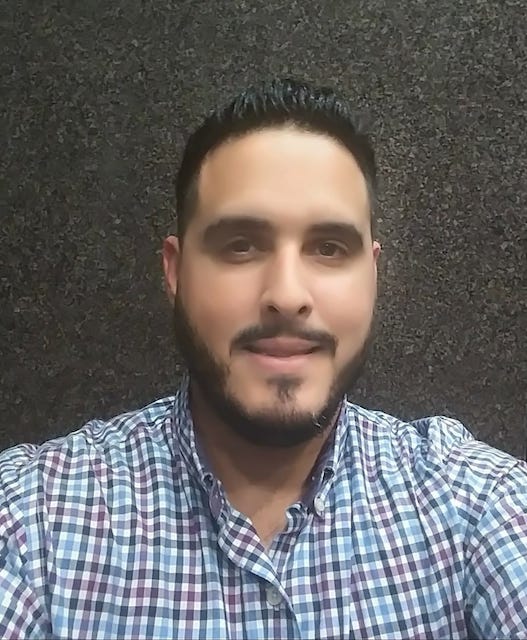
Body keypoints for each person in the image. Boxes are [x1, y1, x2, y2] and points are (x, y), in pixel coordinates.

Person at [0, 78, 525, 640]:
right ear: (175, 272)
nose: (287, 294)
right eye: (241, 245)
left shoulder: (476, 502)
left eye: (329, 248)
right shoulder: (33, 521)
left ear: (373, 274)